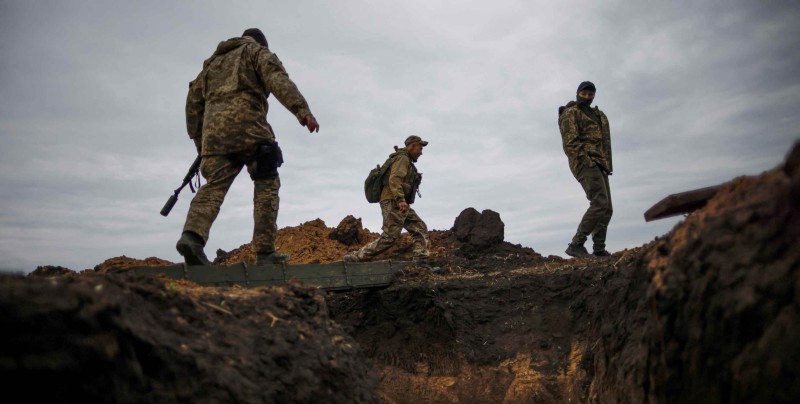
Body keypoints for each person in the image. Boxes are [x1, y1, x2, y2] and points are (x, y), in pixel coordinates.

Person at [176, 28, 320, 266]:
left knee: (213, 187)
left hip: (214, 137)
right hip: (250, 129)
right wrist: (302, 111)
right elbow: (277, 79)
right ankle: (265, 252)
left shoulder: (210, 66)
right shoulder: (257, 52)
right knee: (266, 183)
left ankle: (191, 237)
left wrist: (201, 144)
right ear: (262, 43)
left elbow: (192, 104)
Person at [344, 136, 431, 265]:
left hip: (399, 202)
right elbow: (394, 179)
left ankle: (421, 262)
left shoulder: (404, 159)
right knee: (390, 236)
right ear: (413, 146)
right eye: (420, 148)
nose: (421, 152)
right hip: (394, 201)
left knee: (420, 228)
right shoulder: (402, 158)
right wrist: (400, 199)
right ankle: (356, 257)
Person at [558, 81, 613, 258]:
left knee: (607, 208)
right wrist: (585, 161)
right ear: (578, 94)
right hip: (585, 162)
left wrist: (607, 165)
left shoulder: (598, 115)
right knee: (599, 203)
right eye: (584, 94)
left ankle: (599, 249)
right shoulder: (571, 113)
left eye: (590, 94)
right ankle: (576, 244)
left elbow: (605, 142)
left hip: (600, 163)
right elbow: (570, 143)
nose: (587, 97)